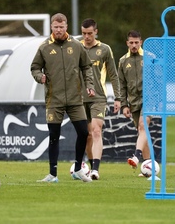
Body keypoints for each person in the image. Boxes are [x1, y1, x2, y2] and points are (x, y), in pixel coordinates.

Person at [31, 13, 95, 183]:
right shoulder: (44, 47)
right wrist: (40, 77)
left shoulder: (76, 45)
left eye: (61, 27)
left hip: (75, 99)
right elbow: (35, 68)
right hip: (54, 100)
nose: (58, 30)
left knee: (83, 132)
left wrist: (89, 85)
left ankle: (78, 169)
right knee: (54, 135)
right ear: (51, 27)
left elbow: (87, 66)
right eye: (56, 27)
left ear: (66, 27)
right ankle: (53, 174)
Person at [80, 18, 121, 180]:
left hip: (98, 97)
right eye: (84, 33)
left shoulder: (104, 49)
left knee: (96, 131)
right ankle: (89, 166)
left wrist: (118, 97)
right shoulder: (76, 47)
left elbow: (113, 74)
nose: (87, 36)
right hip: (79, 99)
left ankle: (95, 169)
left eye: (90, 33)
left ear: (96, 32)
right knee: (86, 135)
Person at [117, 30, 151, 172]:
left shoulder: (150, 58)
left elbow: (159, 80)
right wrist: (124, 104)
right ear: (127, 43)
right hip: (134, 102)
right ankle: (149, 167)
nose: (134, 45)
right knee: (142, 131)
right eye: (131, 43)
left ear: (141, 42)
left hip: (149, 99)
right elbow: (122, 85)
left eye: (136, 42)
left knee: (143, 126)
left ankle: (136, 156)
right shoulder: (123, 61)